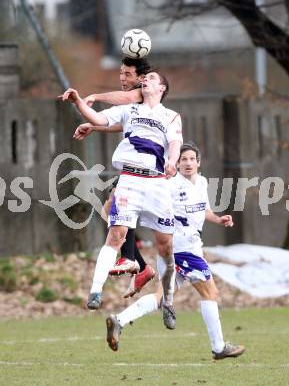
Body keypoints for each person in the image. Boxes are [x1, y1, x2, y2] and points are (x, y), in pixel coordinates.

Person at [61, 70, 183, 328]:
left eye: (151, 78)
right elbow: (99, 118)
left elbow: (174, 143)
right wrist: (79, 102)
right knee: (116, 235)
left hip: (156, 183)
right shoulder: (130, 110)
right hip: (129, 180)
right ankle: (95, 292)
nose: (145, 80)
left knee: (166, 247)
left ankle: (168, 301)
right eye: (144, 78)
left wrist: (172, 162)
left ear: (162, 88)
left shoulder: (170, 116)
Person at [105, 142, 245, 360]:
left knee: (162, 297)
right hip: (181, 248)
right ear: (176, 164)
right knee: (211, 293)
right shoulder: (168, 185)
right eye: (183, 159)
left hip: (188, 248)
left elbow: (204, 210)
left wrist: (219, 219)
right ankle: (219, 347)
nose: (188, 163)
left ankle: (119, 320)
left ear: (198, 162)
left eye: (191, 159)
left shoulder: (202, 182)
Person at [69, 57, 156, 298]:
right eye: (120, 73)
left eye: (127, 74)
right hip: (133, 172)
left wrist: (95, 97)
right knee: (110, 211)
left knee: (164, 240)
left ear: (140, 79)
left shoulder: (145, 94)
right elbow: (119, 122)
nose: (122, 78)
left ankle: (139, 265)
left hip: (151, 174)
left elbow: (128, 98)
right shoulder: (133, 107)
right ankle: (138, 264)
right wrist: (94, 126)